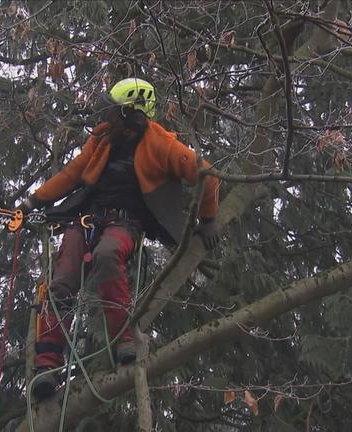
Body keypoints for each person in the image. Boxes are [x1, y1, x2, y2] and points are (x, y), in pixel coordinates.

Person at [16, 78, 221, 400]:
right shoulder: (103, 138)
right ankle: (47, 366)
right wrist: (33, 202)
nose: (105, 114)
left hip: (125, 224)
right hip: (86, 220)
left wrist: (208, 220)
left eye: (112, 109)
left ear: (129, 113)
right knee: (62, 281)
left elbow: (207, 176)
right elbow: (73, 173)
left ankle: (125, 340)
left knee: (109, 255)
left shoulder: (163, 145)